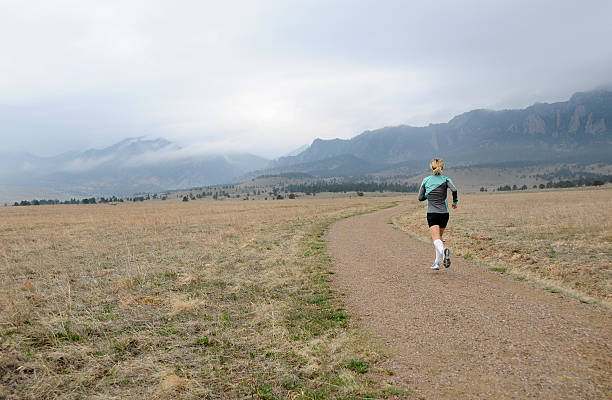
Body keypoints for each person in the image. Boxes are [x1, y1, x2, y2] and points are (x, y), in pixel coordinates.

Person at [417, 158, 458, 270]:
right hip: (444, 214)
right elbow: (454, 190)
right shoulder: (446, 179)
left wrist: (428, 194)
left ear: (431, 167)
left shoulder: (426, 180)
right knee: (439, 238)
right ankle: (437, 263)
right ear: (442, 167)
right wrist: (454, 202)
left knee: (435, 239)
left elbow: (420, 198)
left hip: (432, 213)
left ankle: (444, 254)